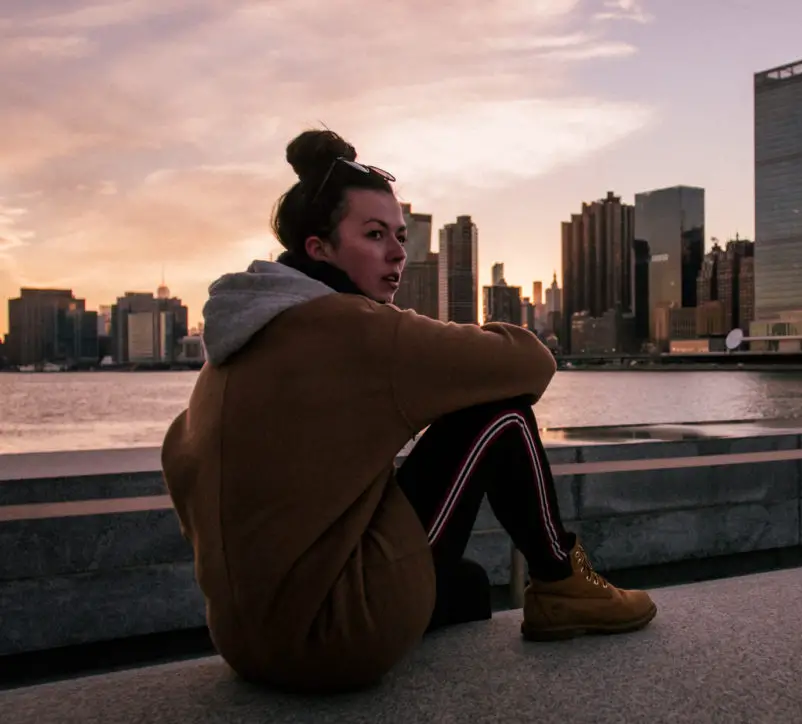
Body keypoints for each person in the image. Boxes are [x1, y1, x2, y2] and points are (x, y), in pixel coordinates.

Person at [160, 129, 657, 694]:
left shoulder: (233, 345)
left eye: (399, 236)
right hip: (332, 644)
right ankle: (564, 584)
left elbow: (181, 459)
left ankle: (522, 591)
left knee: (464, 587)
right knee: (501, 415)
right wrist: (427, 341)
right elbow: (530, 363)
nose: (398, 252)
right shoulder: (355, 328)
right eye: (374, 236)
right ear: (318, 249)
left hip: (245, 642)